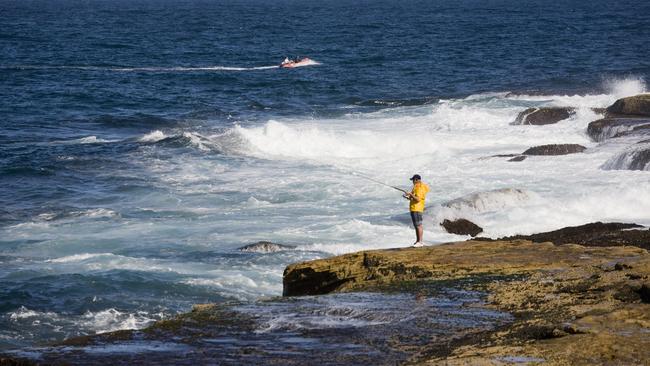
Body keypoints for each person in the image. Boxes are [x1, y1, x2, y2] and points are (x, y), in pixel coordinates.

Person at [403, 174, 429, 247]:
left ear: (417, 180)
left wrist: (410, 194)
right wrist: (408, 197)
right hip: (415, 208)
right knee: (416, 225)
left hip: (417, 208)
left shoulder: (419, 188)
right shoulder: (417, 187)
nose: (413, 182)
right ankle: (418, 241)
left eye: (413, 180)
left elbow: (417, 199)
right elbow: (414, 198)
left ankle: (420, 242)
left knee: (418, 225)